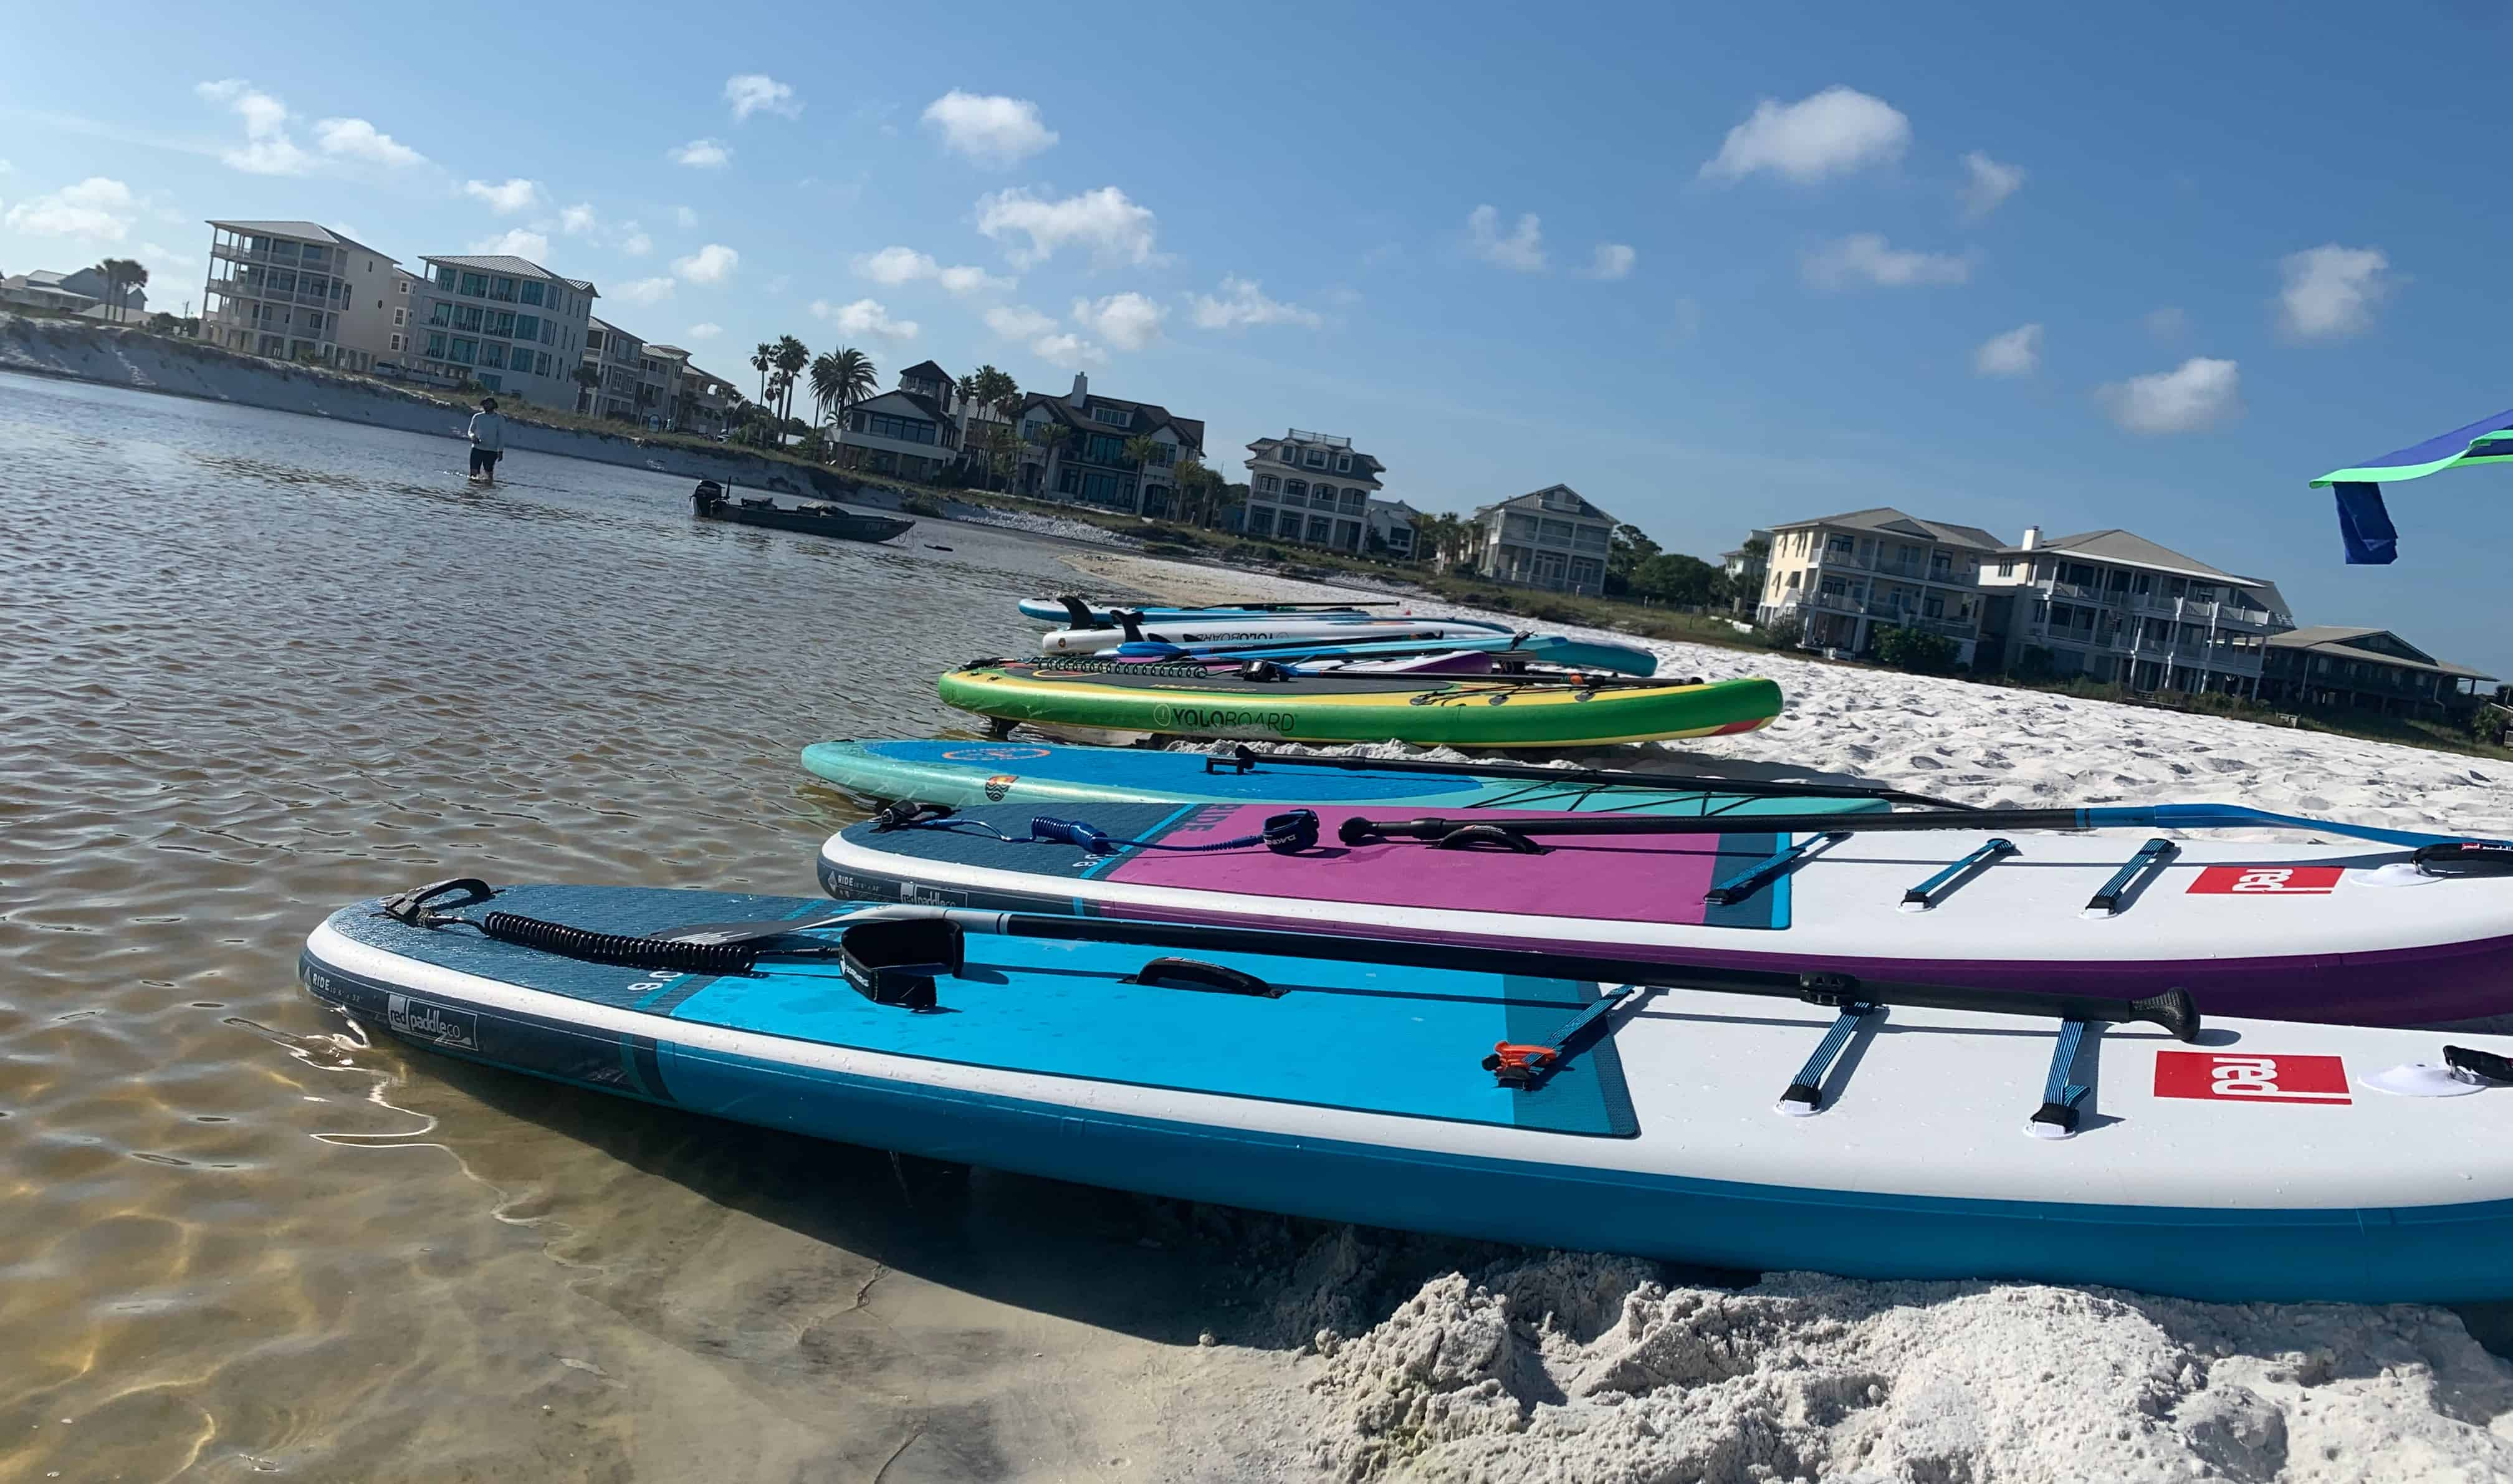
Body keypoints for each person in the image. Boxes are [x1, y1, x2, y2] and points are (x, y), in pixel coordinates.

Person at [466, 397, 506, 483]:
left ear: (494, 405)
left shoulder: (499, 419)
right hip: (477, 448)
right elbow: (470, 431)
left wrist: (501, 451)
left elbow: (501, 436)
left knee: (488, 475)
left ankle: (487, 492)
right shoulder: (477, 417)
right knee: (473, 474)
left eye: (489, 403)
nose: (487, 405)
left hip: (491, 450)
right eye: (485, 403)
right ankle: (472, 491)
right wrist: (472, 436)